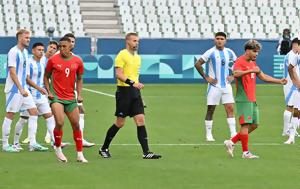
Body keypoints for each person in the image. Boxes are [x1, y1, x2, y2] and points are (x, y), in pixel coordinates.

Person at [99, 32, 161, 159]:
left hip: (135, 93)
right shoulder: (122, 55)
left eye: (137, 41)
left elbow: (135, 77)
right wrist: (133, 84)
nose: (136, 43)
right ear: (127, 42)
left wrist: (140, 96)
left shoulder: (137, 57)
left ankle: (146, 152)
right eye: (134, 41)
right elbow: (119, 74)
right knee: (120, 123)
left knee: (140, 120)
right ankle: (104, 148)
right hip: (124, 92)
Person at [224, 39, 287, 159]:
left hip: (252, 98)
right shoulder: (240, 61)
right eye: (254, 51)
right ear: (247, 51)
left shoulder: (253, 62)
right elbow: (235, 74)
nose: (256, 54)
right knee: (245, 125)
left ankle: (231, 142)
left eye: (257, 52)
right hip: (243, 98)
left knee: (254, 125)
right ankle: (245, 153)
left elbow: (262, 76)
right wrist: (250, 70)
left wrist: (279, 81)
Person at [44, 37, 88, 163]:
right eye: (60, 46)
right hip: (57, 97)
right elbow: (46, 77)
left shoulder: (77, 61)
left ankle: (80, 154)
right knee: (60, 122)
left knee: (76, 124)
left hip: (70, 97)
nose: (61, 48)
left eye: (64, 46)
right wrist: (49, 92)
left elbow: (79, 78)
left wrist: (79, 94)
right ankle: (58, 148)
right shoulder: (53, 60)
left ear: (70, 46)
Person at [13, 42, 59, 151]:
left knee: (49, 116)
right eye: (39, 50)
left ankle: (55, 142)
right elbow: (27, 79)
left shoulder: (43, 63)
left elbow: (44, 78)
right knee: (24, 118)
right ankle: (16, 142)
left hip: (41, 96)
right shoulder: (29, 62)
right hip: (30, 94)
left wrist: (48, 91)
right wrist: (39, 88)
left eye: (42, 50)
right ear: (33, 51)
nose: (41, 52)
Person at [1, 29, 40, 152]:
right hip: (14, 90)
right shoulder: (13, 52)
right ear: (19, 38)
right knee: (10, 115)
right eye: (26, 37)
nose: (28, 39)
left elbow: (24, 74)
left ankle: (32, 143)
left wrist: (26, 88)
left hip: (23, 90)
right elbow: (12, 73)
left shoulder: (25, 53)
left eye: (29, 37)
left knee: (34, 112)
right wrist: (20, 88)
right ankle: (5, 144)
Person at [194, 32, 237, 141]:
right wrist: (206, 77)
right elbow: (198, 64)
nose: (219, 40)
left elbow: (237, 64)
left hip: (226, 86)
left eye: (222, 39)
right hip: (214, 86)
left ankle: (233, 133)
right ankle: (208, 134)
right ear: (214, 40)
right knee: (211, 109)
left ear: (225, 40)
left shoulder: (230, 52)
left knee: (230, 108)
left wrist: (233, 76)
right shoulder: (210, 52)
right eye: (217, 38)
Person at [58, 33, 95, 148]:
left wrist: (78, 93)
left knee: (81, 112)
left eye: (73, 42)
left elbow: (79, 77)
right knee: (53, 116)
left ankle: (80, 139)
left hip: (71, 91)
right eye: (70, 42)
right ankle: (53, 139)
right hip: (57, 92)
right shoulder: (57, 56)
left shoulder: (74, 58)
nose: (72, 44)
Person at [282, 38, 300, 139]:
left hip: (293, 84)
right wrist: (296, 83)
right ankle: (286, 130)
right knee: (290, 106)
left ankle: (291, 129)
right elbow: (292, 70)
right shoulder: (291, 55)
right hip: (291, 84)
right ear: (294, 45)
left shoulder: (294, 55)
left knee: (295, 107)